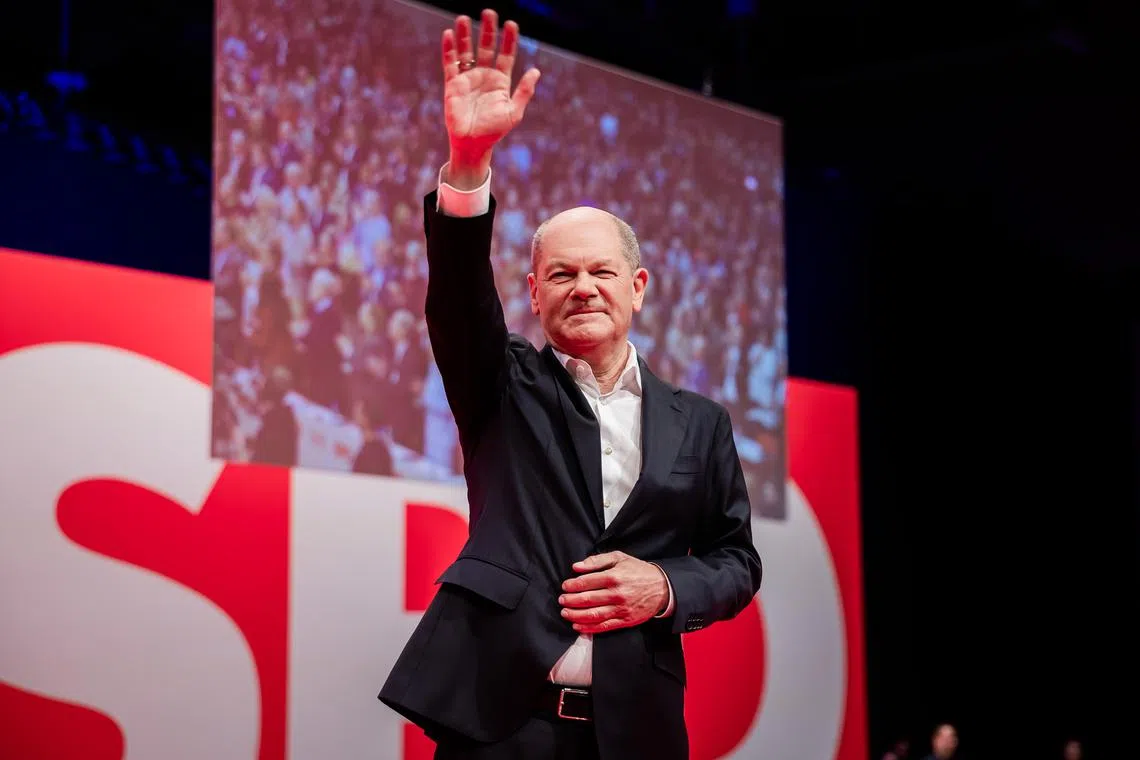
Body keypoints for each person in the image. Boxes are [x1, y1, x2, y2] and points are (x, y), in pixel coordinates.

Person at [378, 9, 763, 759]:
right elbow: (457, 297)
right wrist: (467, 163)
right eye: (561, 274)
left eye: (601, 272)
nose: (582, 287)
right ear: (533, 293)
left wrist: (665, 586)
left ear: (637, 288)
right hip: (499, 727)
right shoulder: (499, 383)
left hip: (636, 732)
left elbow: (736, 561)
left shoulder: (701, 423)